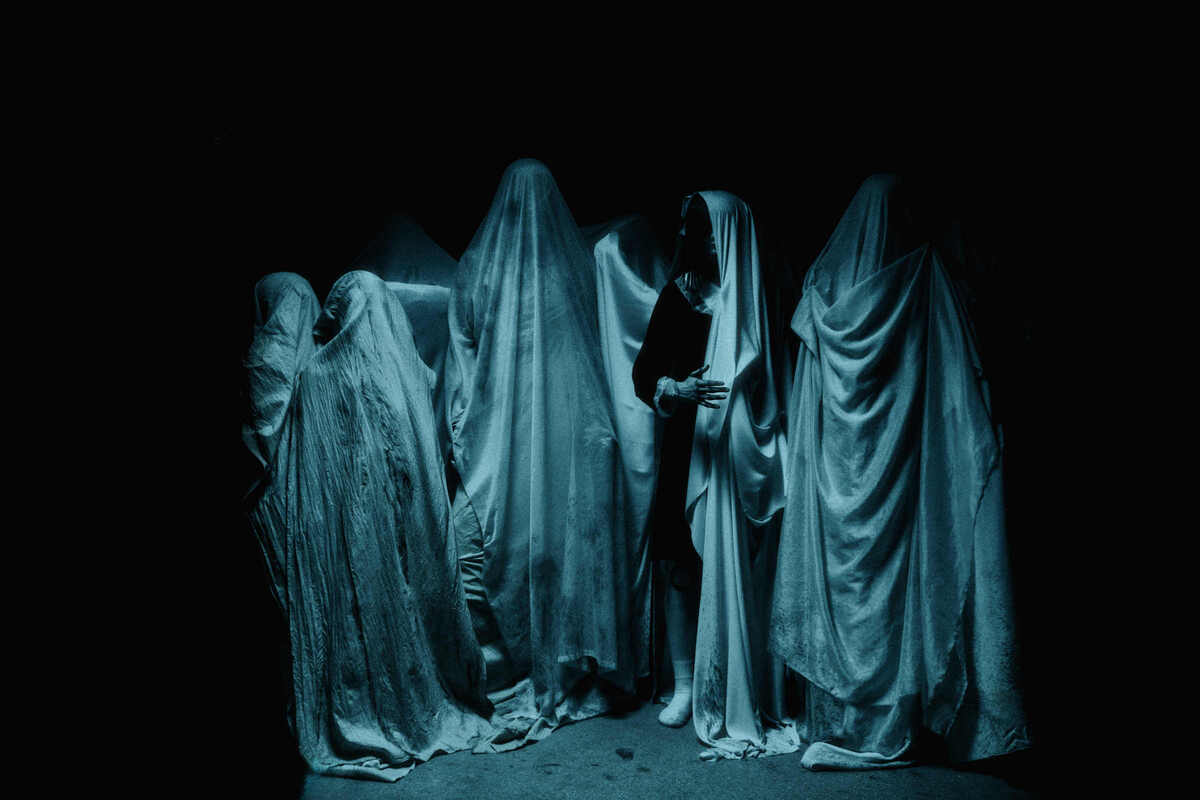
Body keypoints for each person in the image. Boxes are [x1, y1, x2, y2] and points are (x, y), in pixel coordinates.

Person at [770, 175, 1030, 769]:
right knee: (895, 592)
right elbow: (955, 389)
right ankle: (897, 721)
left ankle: (844, 722)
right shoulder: (923, 280)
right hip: (901, 477)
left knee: (847, 594)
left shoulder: (822, 292)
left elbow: (807, 403)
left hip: (835, 479)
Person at [248, 270, 495, 781]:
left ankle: (364, 704)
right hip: (406, 527)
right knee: (401, 616)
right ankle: (411, 698)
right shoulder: (411, 369)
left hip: (348, 529)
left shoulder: (321, 375)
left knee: (357, 621)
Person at [445, 159, 645, 747]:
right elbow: (463, 358)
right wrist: (467, 430)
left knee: (552, 558)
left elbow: (590, 353)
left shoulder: (565, 268)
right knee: (477, 554)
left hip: (557, 438)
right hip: (501, 442)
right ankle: (503, 675)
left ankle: (551, 667)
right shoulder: (482, 269)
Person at [634, 193, 792, 758]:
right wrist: (677, 389)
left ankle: (736, 678)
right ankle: (685, 684)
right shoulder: (679, 296)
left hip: (741, 452)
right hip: (689, 448)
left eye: (701, 229)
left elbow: (776, 375)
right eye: (689, 228)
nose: (692, 239)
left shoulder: (754, 299)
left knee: (740, 564)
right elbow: (644, 372)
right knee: (682, 564)